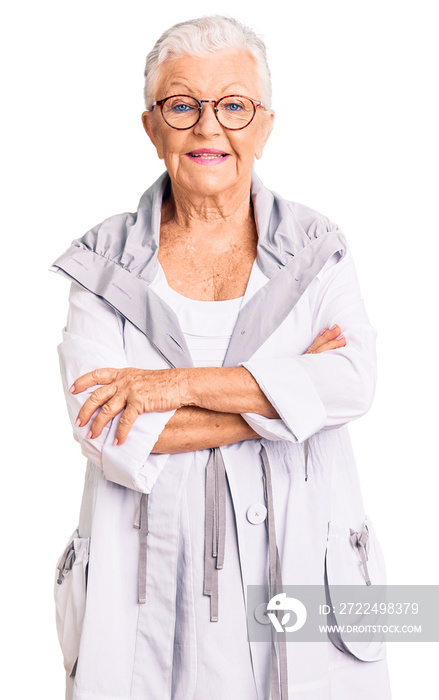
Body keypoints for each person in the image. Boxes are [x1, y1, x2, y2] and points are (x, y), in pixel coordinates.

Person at [51, 15, 392, 700]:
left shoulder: (317, 244)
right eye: (182, 106)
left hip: (306, 587)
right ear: (152, 128)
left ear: (264, 125)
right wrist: (292, 399)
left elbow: (353, 384)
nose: (209, 127)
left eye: (233, 106)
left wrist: (168, 388)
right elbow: (104, 431)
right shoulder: (101, 261)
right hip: (143, 589)